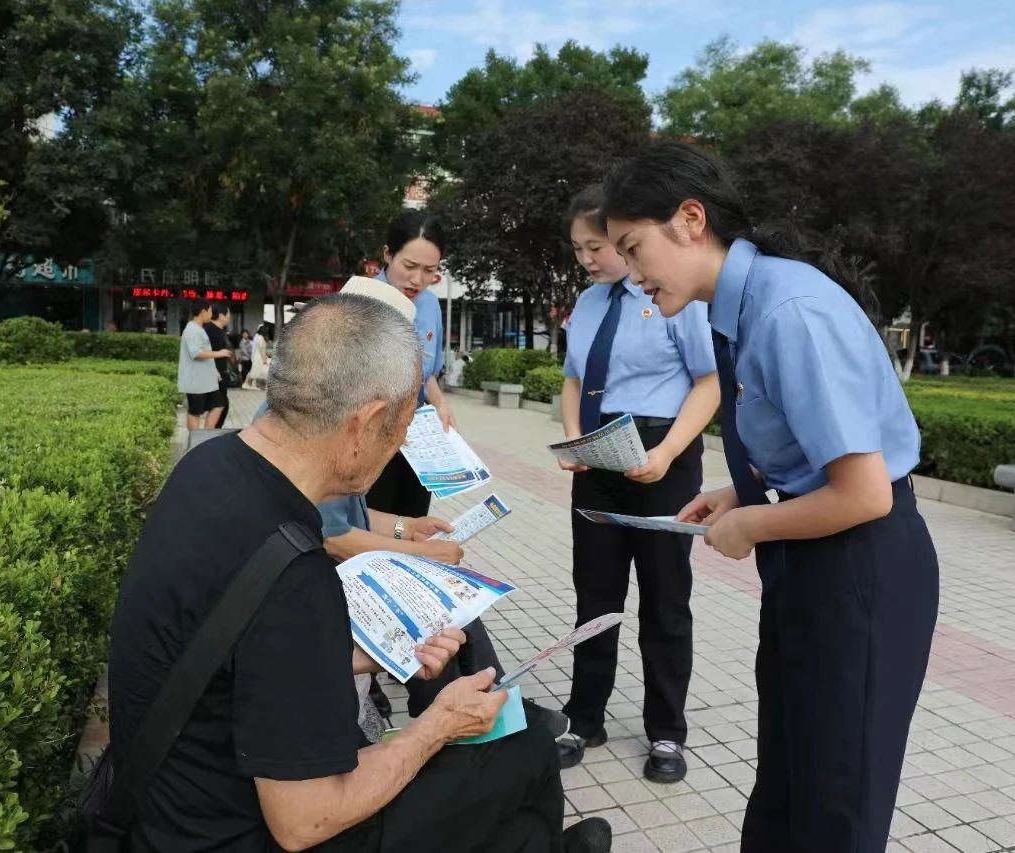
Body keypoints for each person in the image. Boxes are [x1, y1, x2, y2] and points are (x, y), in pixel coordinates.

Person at [110, 293, 611, 853]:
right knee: (524, 753)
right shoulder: (295, 571)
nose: (400, 446)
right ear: (366, 421)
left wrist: (368, 654)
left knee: (508, 801)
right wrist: (436, 725)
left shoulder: (209, 467)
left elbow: (234, 645)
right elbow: (306, 821)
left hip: (164, 801)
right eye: (401, 427)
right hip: (232, 831)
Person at [601, 140, 938, 852]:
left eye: (633, 249)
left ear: (690, 219)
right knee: (789, 784)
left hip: (860, 567)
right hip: (813, 559)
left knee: (834, 803)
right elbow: (815, 460)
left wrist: (753, 522)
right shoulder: (743, 308)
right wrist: (738, 494)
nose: (631, 274)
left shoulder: (789, 310)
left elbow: (865, 493)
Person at [554, 185, 720, 784]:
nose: (589, 260)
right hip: (600, 463)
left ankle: (667, 733)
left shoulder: (675, 300)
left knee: (665, 601)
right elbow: (574, 379)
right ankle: (584, 717)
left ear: (626, 240)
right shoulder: (590, 302)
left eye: (596, 246)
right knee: (595, 597)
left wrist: (667, 452)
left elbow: (709, 383)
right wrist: (574, 440)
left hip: (663, 466)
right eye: (578, 251)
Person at [365, 211, 452, 520]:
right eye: (410, 266)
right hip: (369, 441)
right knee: (374, 525)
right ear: (387, 254)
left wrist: (440, 405)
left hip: (417, 442)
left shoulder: (430, 305)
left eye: (430, 270)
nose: (418, 280)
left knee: (413, 523)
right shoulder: (360, 303)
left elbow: (428, 372)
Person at [178, 299, 232, 432]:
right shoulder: (192, 330)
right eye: (209, 311)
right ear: (203, 311)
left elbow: (204, 351)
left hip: (204, 378)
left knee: (219, 404)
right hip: (195, 378)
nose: (211, 314)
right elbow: (196, 353)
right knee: (195, 412)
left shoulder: (199, 329)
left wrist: (214, 371)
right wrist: (219, 354)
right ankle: (195, 442)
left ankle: (206, 436)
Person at [203, 304, 234, 429]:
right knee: (218, 405)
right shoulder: (210, 330)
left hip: (221, 375)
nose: (229, 318)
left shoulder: (218, 331)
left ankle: (211, 433)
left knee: (222, 406)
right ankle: (207, 436)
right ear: (221, 316)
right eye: (228, 315)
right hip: (214, 376)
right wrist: (213, 371)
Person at [247, 322, 271, 389]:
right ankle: (252, 384)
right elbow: (261, 350)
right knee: (258, 370)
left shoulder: (260, 337)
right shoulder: (261, 338)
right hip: (259, 356)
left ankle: (253, 384)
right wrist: (264, 359)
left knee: (258, 370)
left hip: (259, 355)